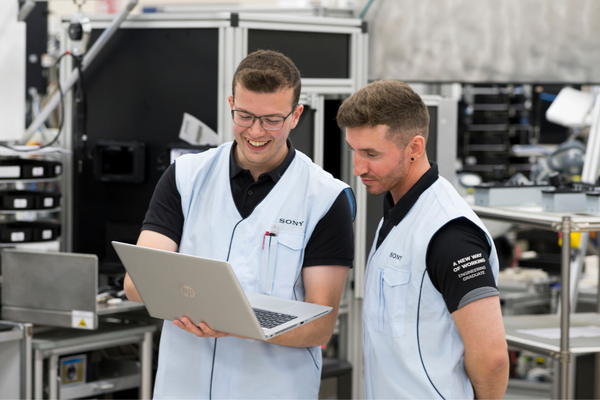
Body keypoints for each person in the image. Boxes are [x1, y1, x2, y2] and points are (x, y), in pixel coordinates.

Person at [124, 50, 355, 399]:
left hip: (270, 389)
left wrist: (234, 324)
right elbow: (138, 283)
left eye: (272, 120)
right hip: (183, 386)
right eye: (244, 116)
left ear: (296, 116)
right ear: (231, 103)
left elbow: (320, 326)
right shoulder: (186, 177)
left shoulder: (324, 197)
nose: (256, 132)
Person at [337, 80, 509, 399]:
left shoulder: (449, 234)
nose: (358, 168)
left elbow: (493, 358)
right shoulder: (399, 211)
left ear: (414, 148)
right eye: (354, 151)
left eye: (371, 153)